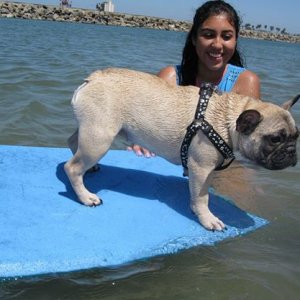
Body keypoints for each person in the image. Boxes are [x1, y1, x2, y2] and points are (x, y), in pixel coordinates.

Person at [128, 0, 261, 157]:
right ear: (194, 38)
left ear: (235, 40)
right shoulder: (170, 78)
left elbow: (249, 144)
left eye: (226, 37)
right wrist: (140, 141)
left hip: (223, 168)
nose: (218, 45)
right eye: (208, 35)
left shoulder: (246, 82)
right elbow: (143, 128)